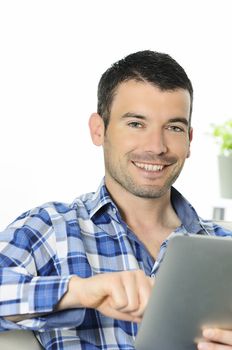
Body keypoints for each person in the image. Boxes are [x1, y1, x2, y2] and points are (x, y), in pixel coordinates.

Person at [0, 50, 231, 350]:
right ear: (99, 130)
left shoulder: (225, 250)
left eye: (173, 128)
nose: (156, 147)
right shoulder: (50, 229)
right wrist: (79, 292)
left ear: (189, 140)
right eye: (136, 123)